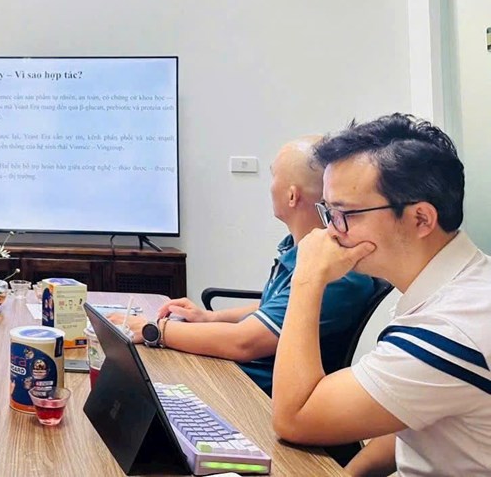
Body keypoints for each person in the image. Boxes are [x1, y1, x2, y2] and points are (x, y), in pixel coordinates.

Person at [272, 114, 491, 477]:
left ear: (421, 219)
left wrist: (307, 279)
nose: (331, 232)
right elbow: (407, 413)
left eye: (345, 213)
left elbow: (294, 417)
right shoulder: (459, 284)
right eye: (328, 212)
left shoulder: (453, 326)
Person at [111, 136, 376, 394]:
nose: (269, 186)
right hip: (238, 376)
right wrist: (210, 317)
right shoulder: (300, 250)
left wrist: (156, 330)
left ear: (292, 195)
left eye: (273, 176)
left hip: (253, 395)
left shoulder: (336, 273)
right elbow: (274, 307)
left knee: (139, 377)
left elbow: (244, 343)